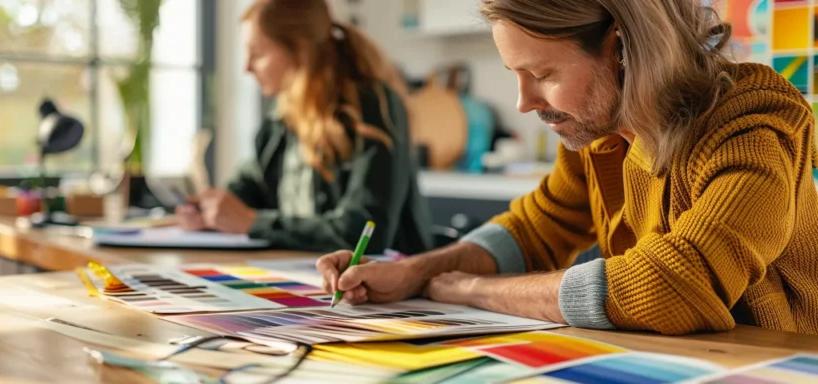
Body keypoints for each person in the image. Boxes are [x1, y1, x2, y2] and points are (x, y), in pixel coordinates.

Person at [318, 0, 818, 335]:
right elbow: (535, 229)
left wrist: (468, 290)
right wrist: (413, 272)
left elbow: (675, 287)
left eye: (542, 74)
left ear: (622, 49)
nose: (522, 102)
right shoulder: (600, 133)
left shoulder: (753, 120)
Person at [176, 0, 433, 254]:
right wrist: (208, 212)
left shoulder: (372, 107)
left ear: (299, 51)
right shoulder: (280, 122)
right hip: (305, 275)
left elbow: (366, 231)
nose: (247, 67)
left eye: (258, 54)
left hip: (390, 284)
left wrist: (252, 222)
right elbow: (245, 192)